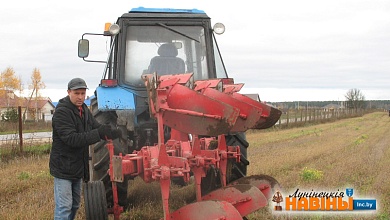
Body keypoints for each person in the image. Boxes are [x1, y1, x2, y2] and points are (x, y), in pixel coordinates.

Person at [49, 78, 121, 220]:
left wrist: (110, 132)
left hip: (78, 166)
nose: (80, 97)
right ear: (69, 92)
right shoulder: (62, 112)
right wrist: (98, 134)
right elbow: (72, 139)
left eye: (83, 93)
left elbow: (96, 126)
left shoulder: (83, 110)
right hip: (63, 166)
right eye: (77, 93)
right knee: (64, 206)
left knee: (75, 205)